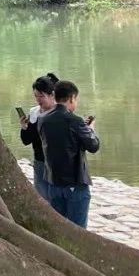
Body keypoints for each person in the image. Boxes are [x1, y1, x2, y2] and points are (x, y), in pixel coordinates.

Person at [37, 79, 99, 227]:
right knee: (78, 230)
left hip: (53, 183)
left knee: (61, 228)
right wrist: (89, 130)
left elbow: (60, 140)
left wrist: (81, 128)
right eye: (75, 99)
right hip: (75, 183)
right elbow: (93, 146)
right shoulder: (75, 121)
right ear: (71, 98)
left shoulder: (42, 120)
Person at [18, 72, 58, 201]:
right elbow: (26, 140)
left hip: (57, 163)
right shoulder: (34, 112)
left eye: (41, 96)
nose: (38, 100)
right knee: (42, 197)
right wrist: (24, 127)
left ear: (52, 95)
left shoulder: (61, 113)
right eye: (36, 96)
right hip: (40, 161)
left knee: (56, 198)